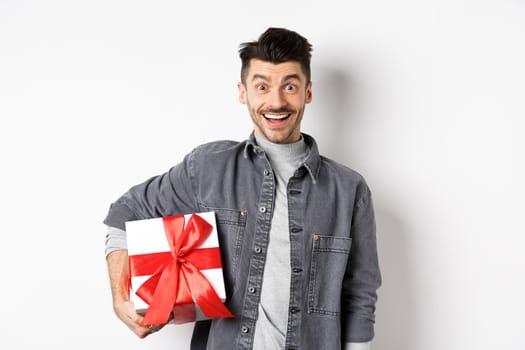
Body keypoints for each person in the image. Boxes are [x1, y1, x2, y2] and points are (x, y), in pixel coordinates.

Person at [104, 27, 381, 350]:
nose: (276, 101)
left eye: (289, 86)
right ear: (242, 92)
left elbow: (360, 294)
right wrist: (121, 299)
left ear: (307, 92)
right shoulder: (208, 167)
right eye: (262, 86)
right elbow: (126, 212)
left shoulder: (348, 189)